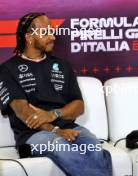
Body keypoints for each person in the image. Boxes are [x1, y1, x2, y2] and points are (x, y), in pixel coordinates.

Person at [0, 12, 112, 176]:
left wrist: (53, 114)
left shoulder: (62, 65)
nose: (52, 36)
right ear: (29, 37)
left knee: (93, 146)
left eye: (52, 31)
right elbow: (25, 113)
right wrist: (56, 131)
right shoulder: (7, 69)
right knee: (61, 146)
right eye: (45, 32)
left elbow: (78, 106)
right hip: (32, 135)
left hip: (69, 127)